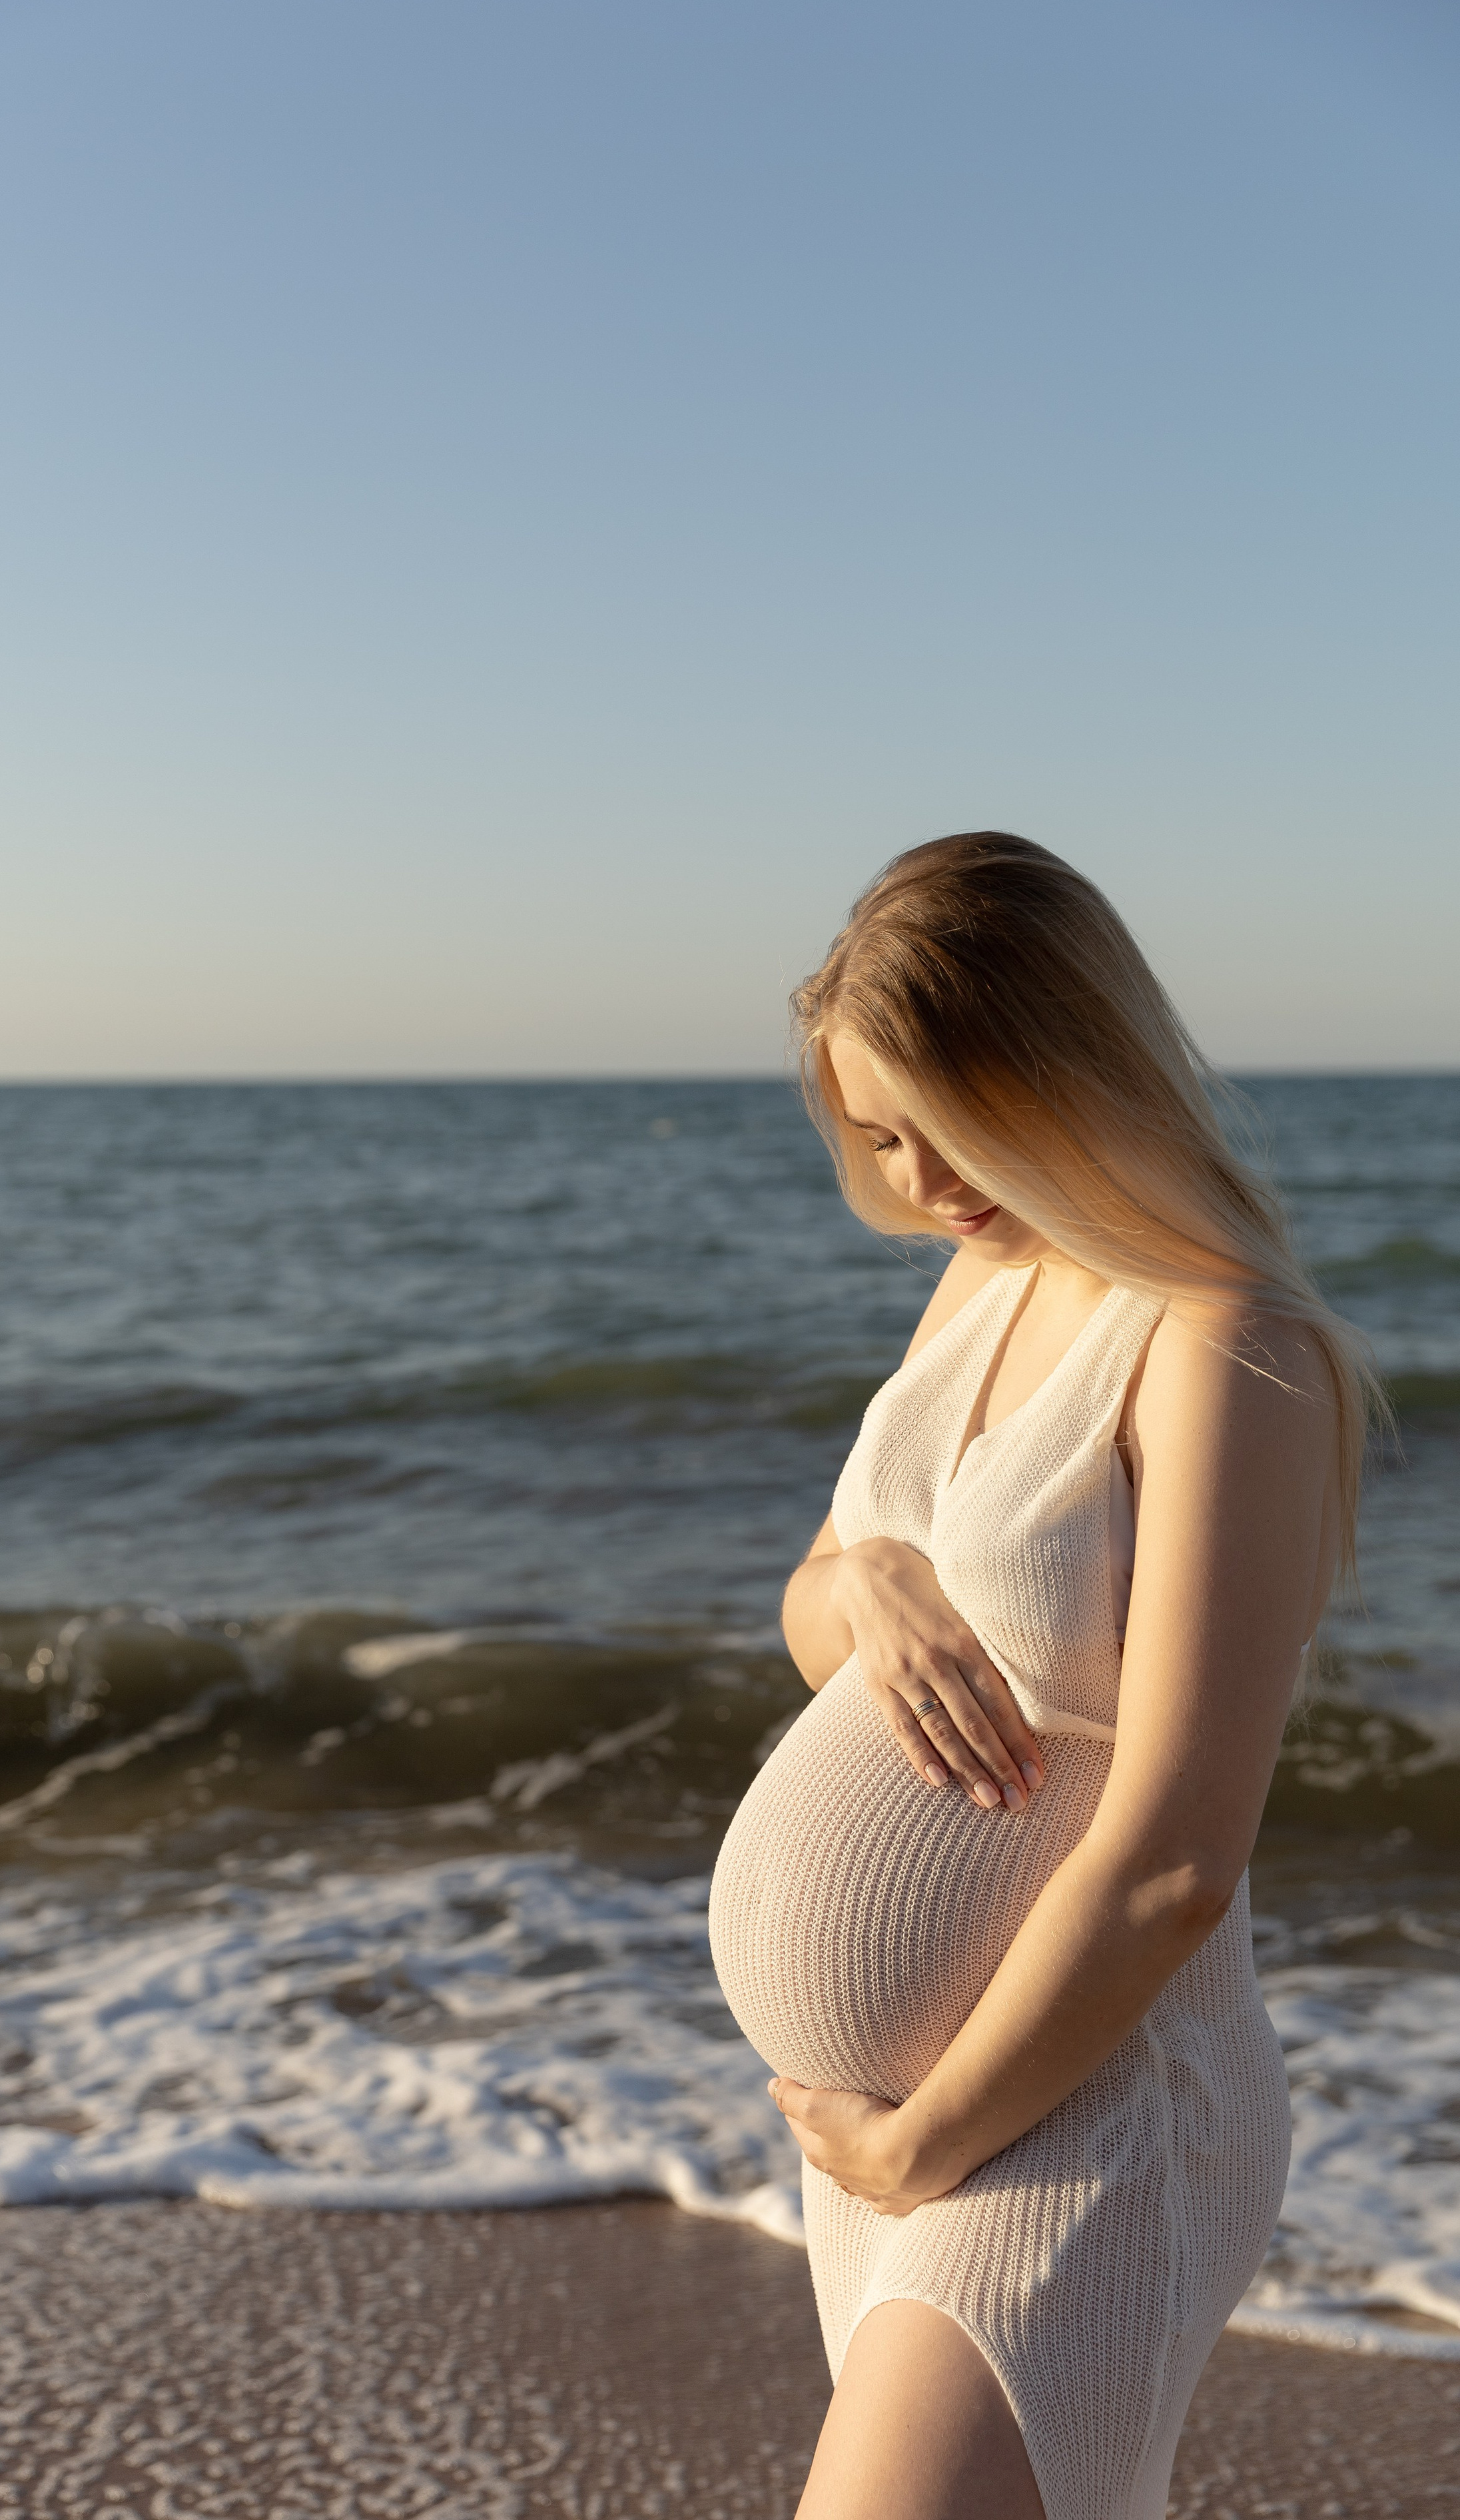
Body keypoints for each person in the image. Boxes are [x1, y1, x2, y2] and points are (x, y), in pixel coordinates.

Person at [708, 834, 1380, 2520]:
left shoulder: (1226, 1348)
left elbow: (1170, 1860)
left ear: (1070, 1054)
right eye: (878, 1133)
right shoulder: (977, 1280)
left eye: (956, 1113)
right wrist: (867, 1586)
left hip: (1087, 2114)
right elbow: (809, 1613)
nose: (925, 1176)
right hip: (913, 2135)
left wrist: (920, 2143)